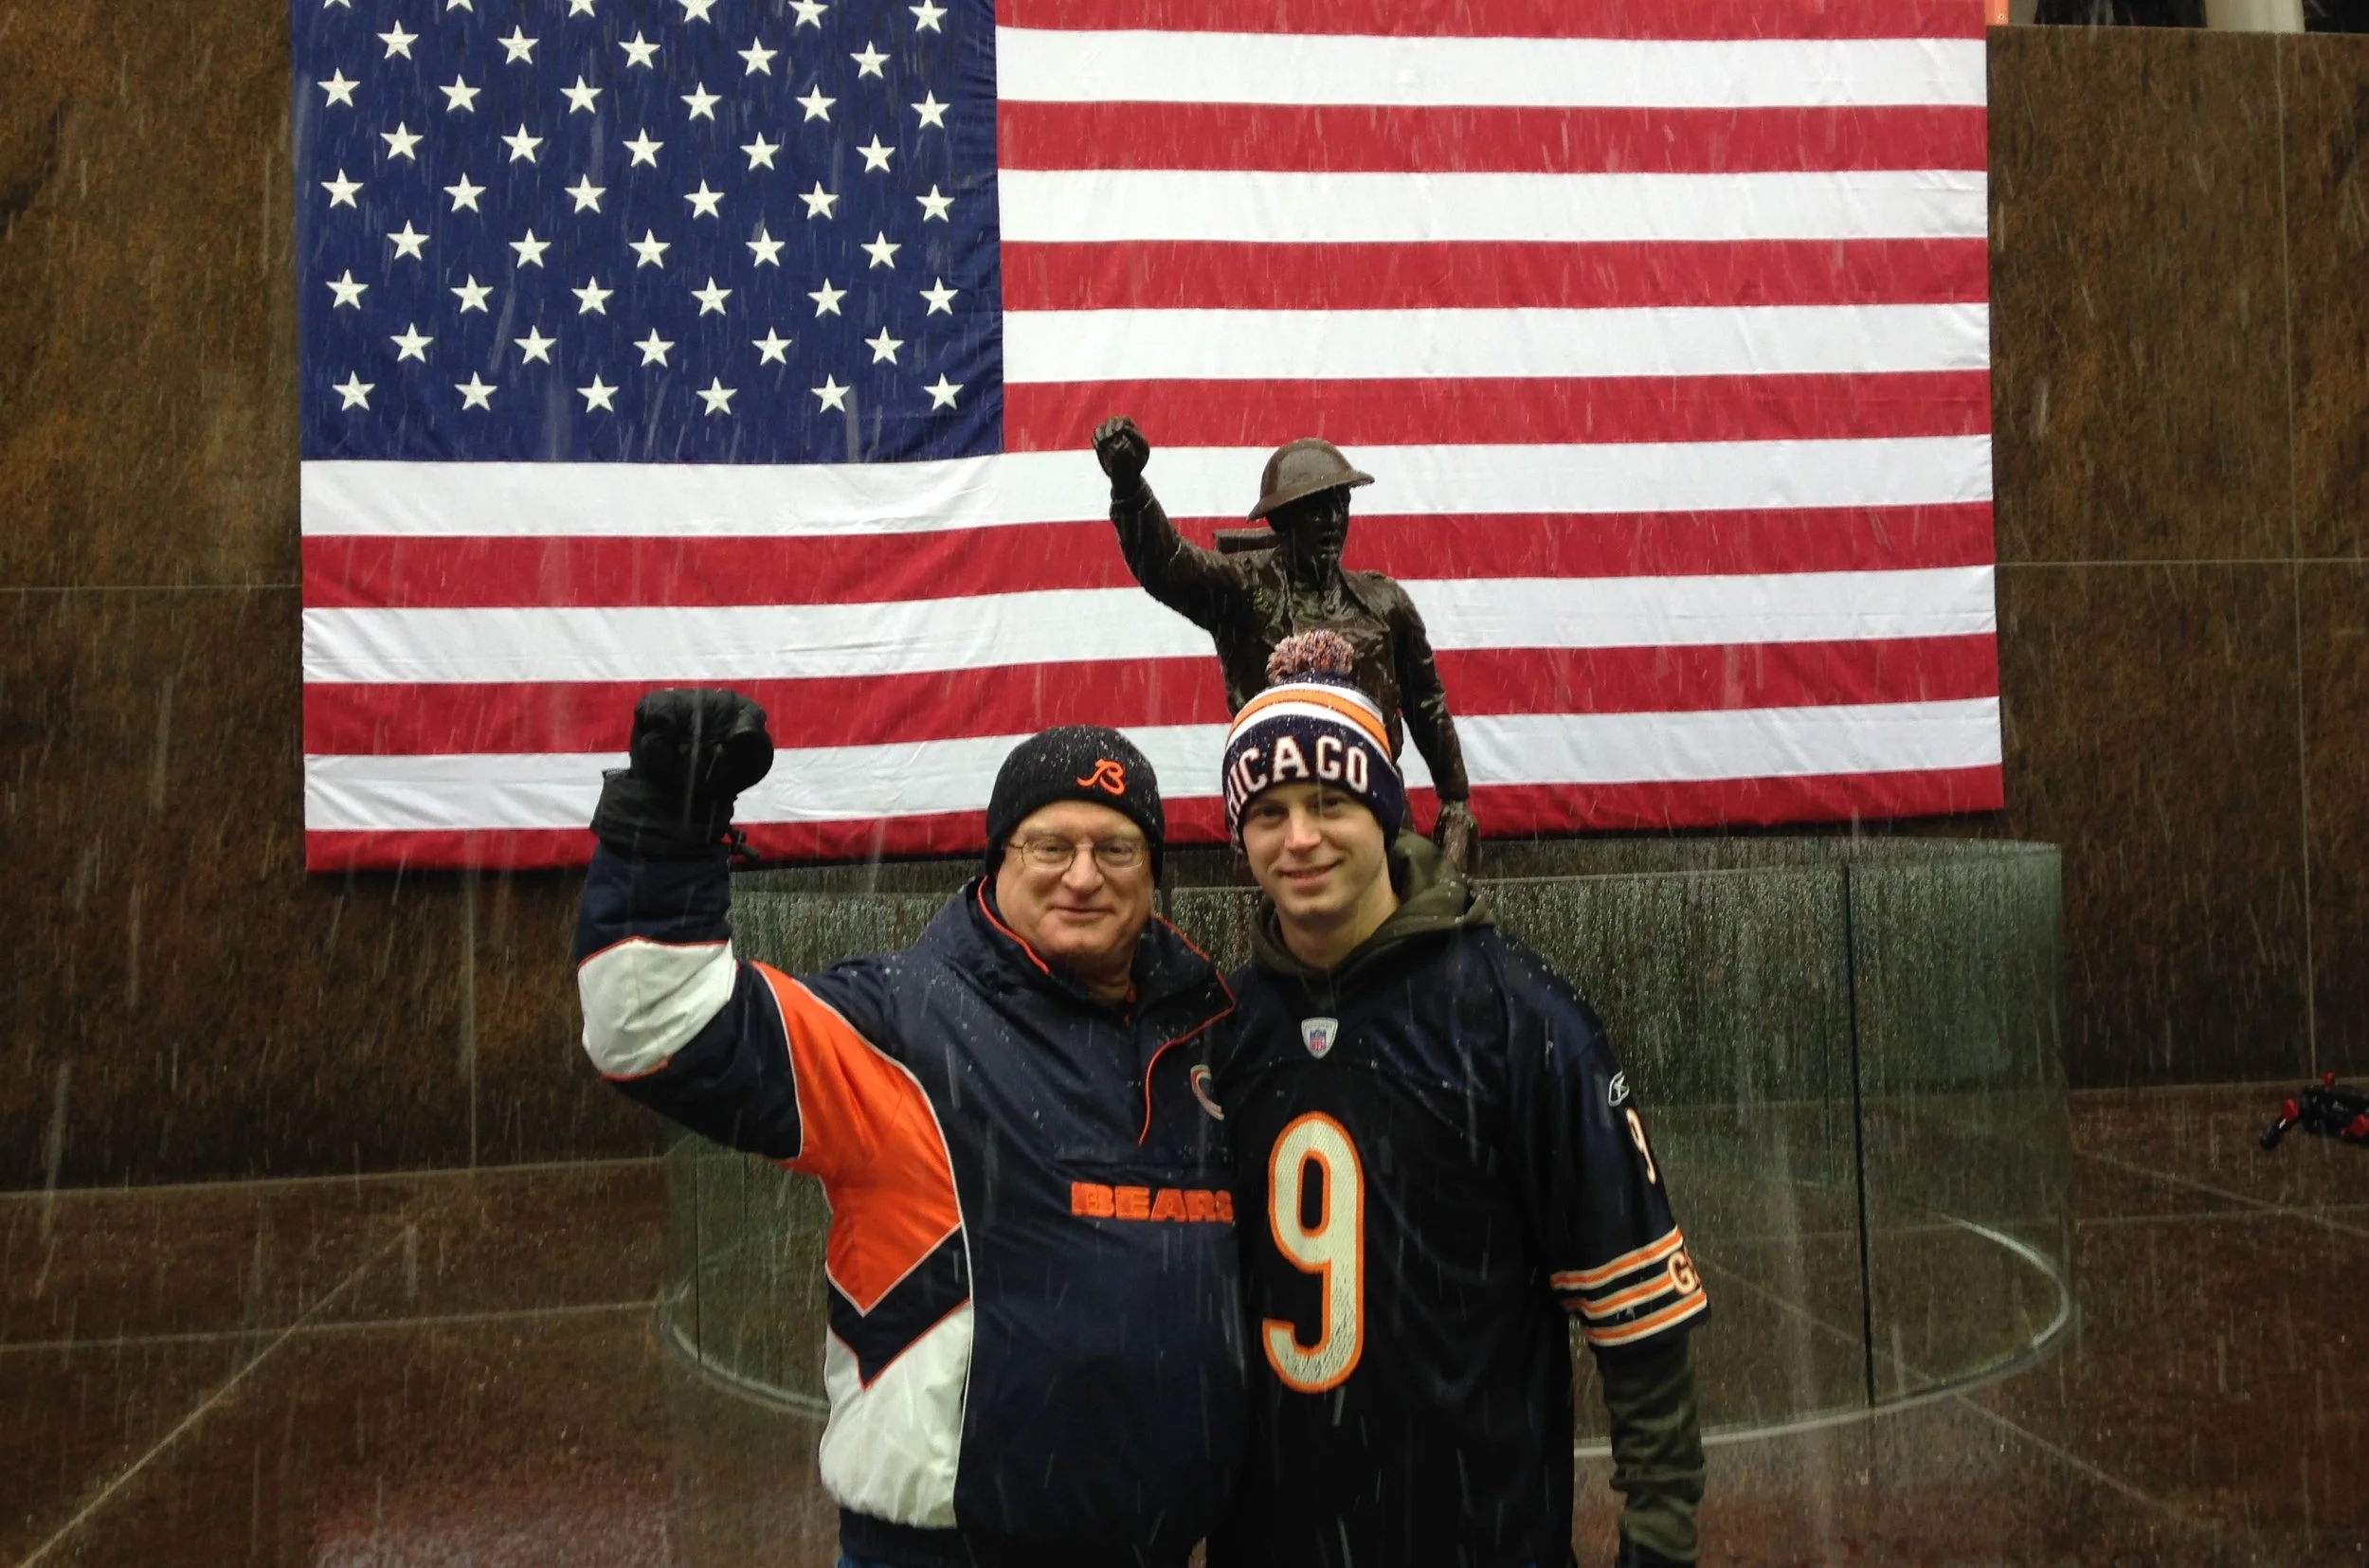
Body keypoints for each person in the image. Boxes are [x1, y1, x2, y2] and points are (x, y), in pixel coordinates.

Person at [573, 690, 1243, 1568]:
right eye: (1050, 844)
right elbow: (654, 1027)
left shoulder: (1211, 1038)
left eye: (1116, 847)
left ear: (1153, 873)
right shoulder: (899, 1023)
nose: (1084, 874)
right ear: (997, 860)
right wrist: (662, 832)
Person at [1205, 634, 1709, 1568]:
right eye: (1267, 811)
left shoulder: (1520, 1018)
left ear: (1387, 808)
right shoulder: (1224, 1034)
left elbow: (1638, 1318)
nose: (1300, 837)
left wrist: (1660, 1532)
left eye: (1329, 801)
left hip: (1479, 1534)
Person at [1091, 415, 1479, 874]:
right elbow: (1167, 563)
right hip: (1272, 814)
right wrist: (1130, 487)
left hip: (1375, 808)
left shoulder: (1385, 601)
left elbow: (1424, 702)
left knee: (1393, 934)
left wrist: (1455, 798)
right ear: (1281, 519)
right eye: (1317, 509)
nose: (1333, 521)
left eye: (1340, 505)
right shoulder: (1243, 591)